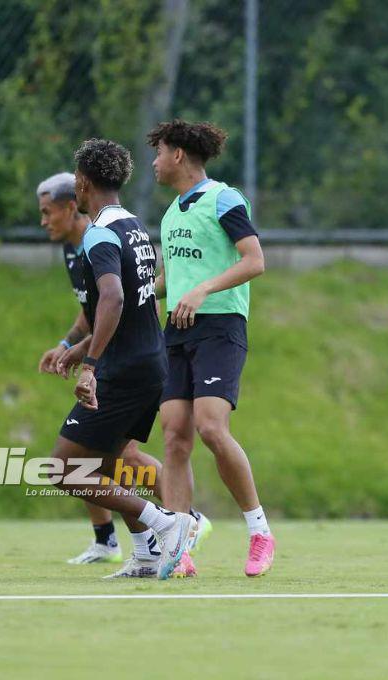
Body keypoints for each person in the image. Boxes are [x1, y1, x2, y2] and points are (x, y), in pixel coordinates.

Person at [47, 138, 195, 580]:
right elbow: (137, 303)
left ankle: (166, 522)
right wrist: (82, 347)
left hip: (124, 369)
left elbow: (111, 296)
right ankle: (146, 556)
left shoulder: (98, 232)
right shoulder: (134, 225)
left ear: (82, 183)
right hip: (151, 361)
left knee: (64, 469)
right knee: (109, 464)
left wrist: (90, 367)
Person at [149, 119, 275, 577]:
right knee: (174, 435)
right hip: (177, 331)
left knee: (210, 428)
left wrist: (202, 290)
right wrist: (134, 295)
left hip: (221, 326)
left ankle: (260, 531)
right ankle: (179, 547)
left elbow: (254, 260)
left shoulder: (224, 198)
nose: (155, 163)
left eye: (159, 152)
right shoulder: (169, 214)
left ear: (178, 155)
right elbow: (169, 282)